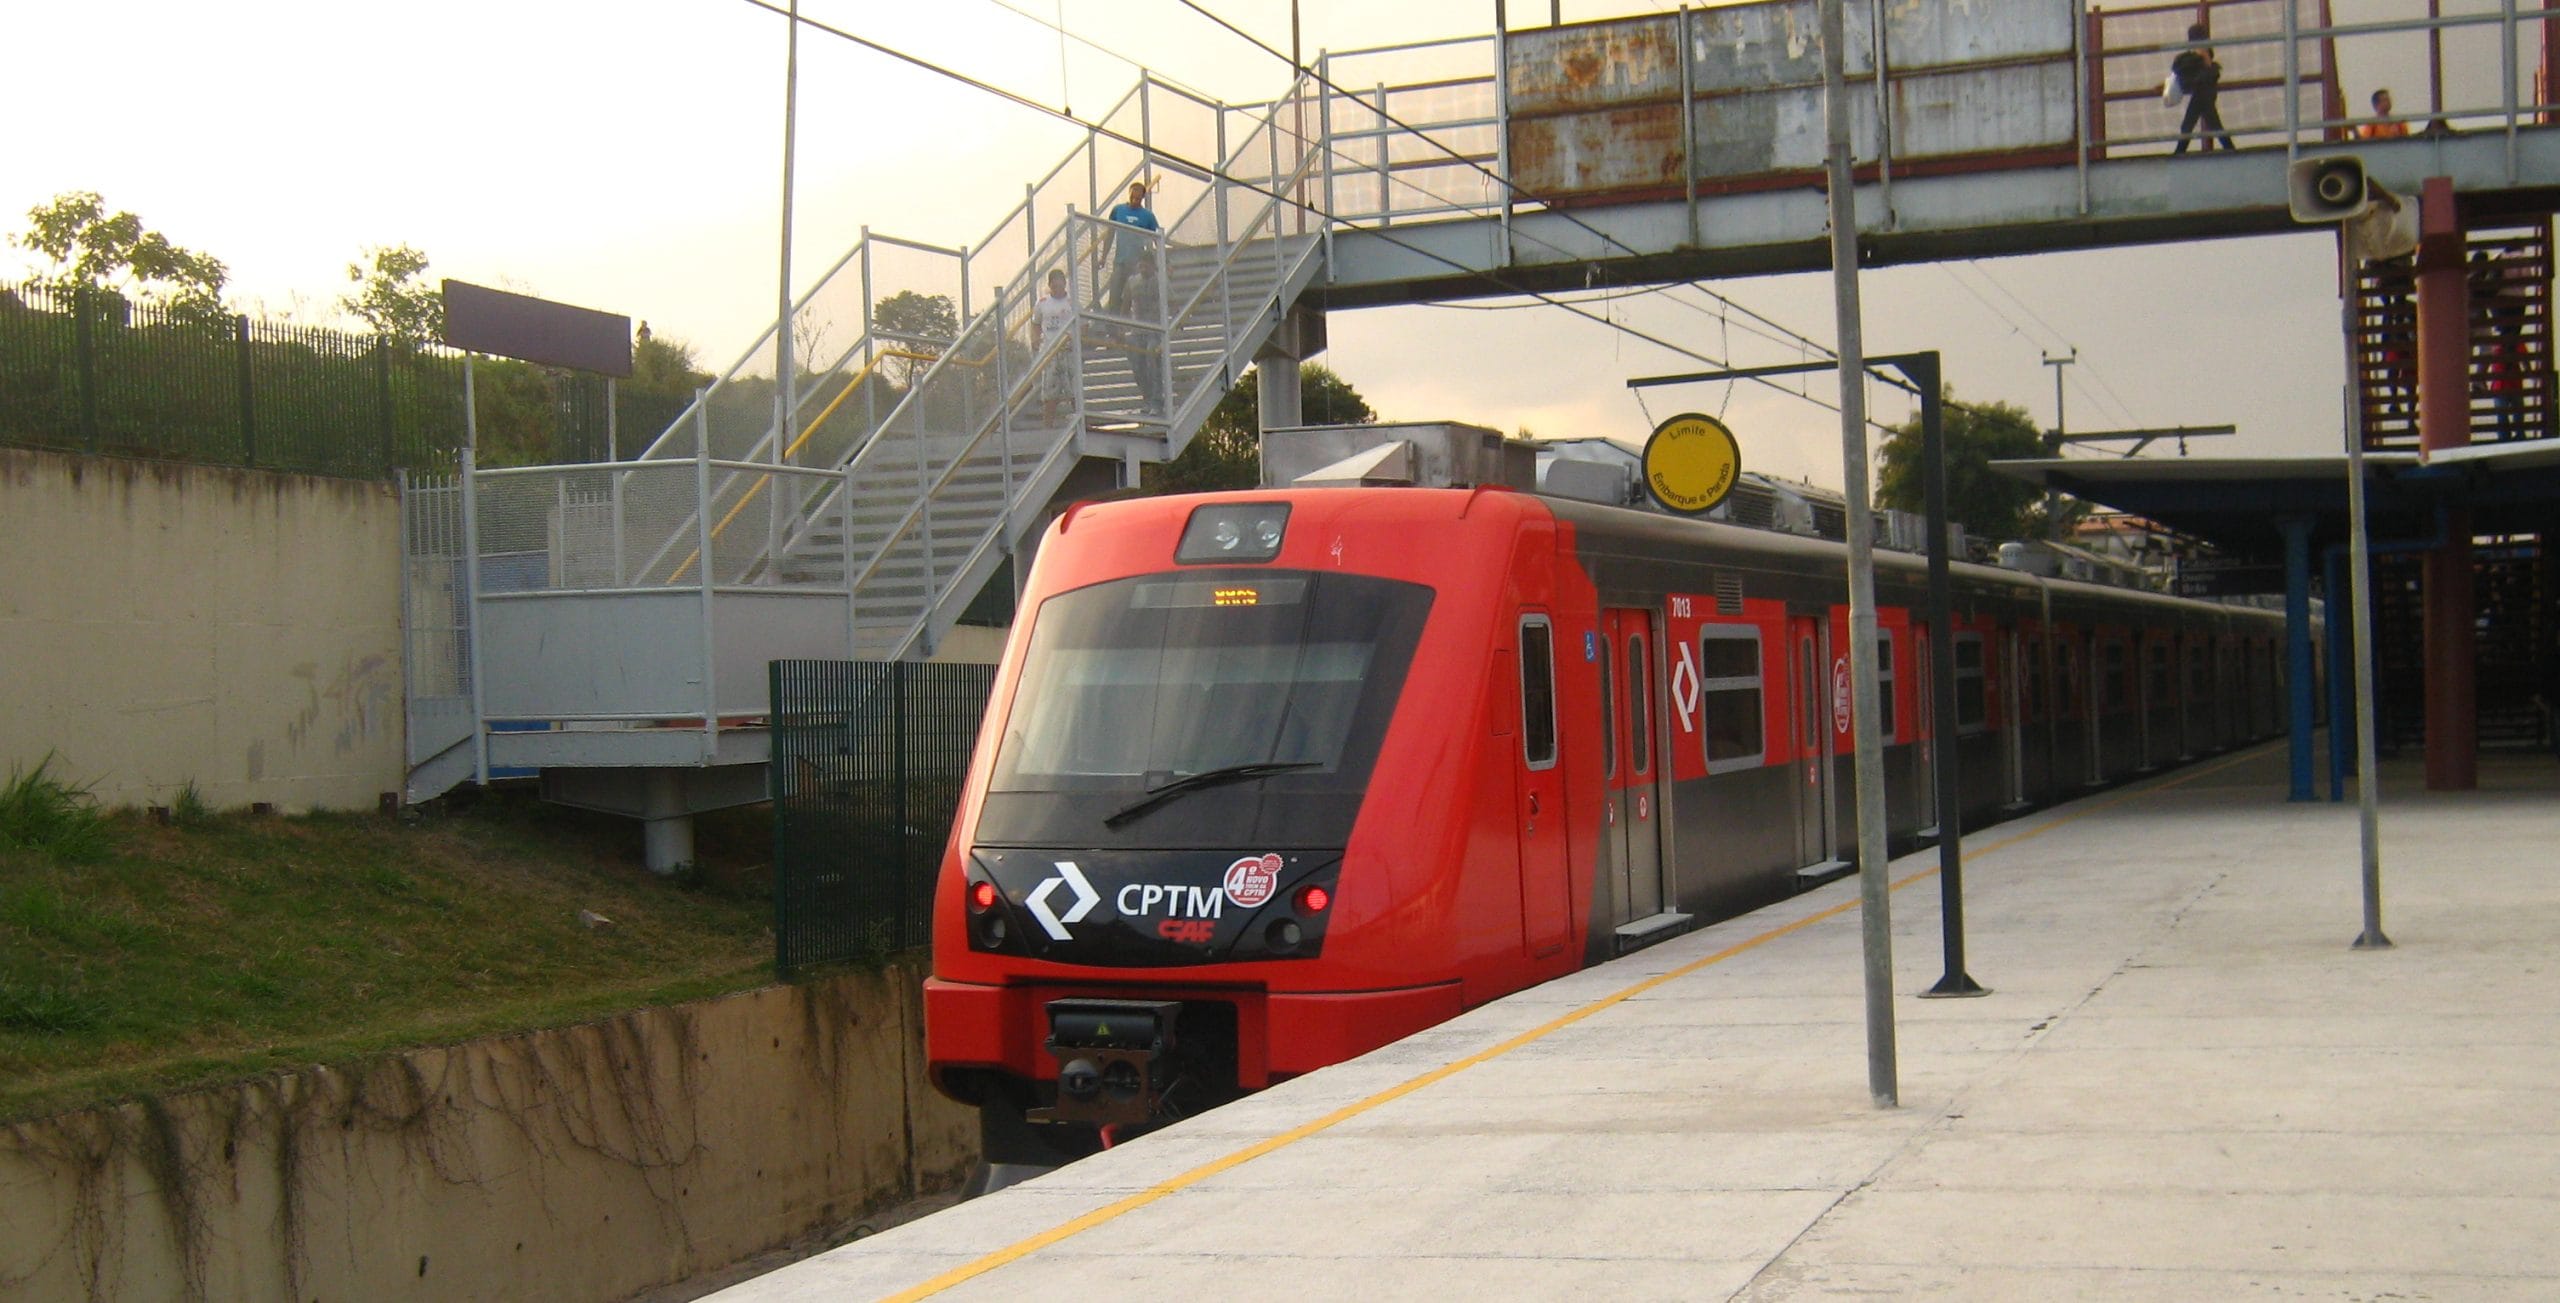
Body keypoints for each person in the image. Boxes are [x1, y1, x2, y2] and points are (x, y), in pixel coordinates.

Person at [2171, 25, 2235, 155]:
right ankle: (2230, 149)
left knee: (2191, 124)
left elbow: (2206, 75)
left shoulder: (2196, 57)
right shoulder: (2192, 58)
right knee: (2212, 123)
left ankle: (2179, 152)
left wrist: (2204, 58)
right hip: (2204, 94)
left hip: (2202, 94)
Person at [1103, 180, 1159, 315]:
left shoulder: (1148, 216)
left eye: (1138, 198)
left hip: (1138, 264)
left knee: (1134, 296)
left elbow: (1157, 239)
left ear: (1142, 198)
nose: (1135, 200)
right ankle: (1113, 330)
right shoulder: (1118, 210)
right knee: (1115, 296)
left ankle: (1132, 325)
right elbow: (1110, 234)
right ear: (1129, 194)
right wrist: (1103, 257)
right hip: (1120, 262)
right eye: (1133, 196)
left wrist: (1161, 262)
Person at [1032, 268, 1076, 424]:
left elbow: (1083, 325)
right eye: (1054, 286)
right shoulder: (1042, 302)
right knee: (1050, 392)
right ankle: (1047, 425)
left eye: (1060, 285)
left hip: (1068, 351)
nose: (1057, 289)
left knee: (1074, 389)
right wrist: (1035, 339)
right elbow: (1036, 323)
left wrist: (1079, 342)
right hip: (1050, 352)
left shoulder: (1072, 302)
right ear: (1050, 285)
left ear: (1065, 284)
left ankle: (1081, 421)